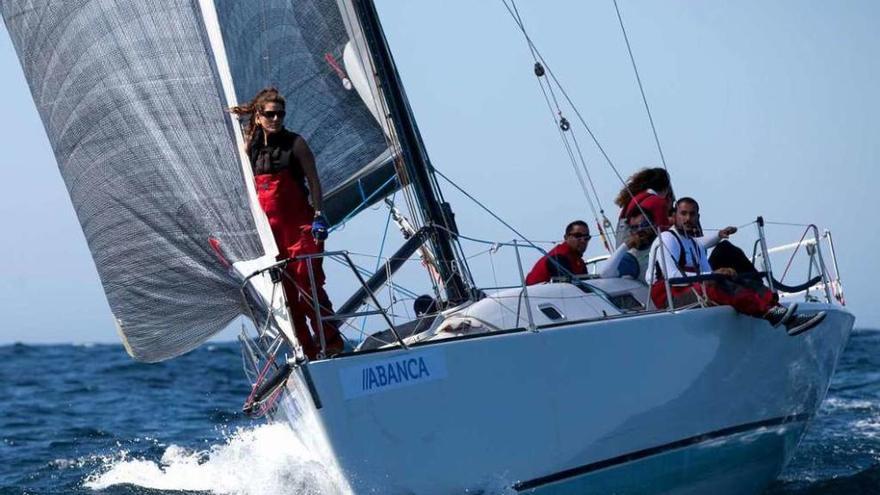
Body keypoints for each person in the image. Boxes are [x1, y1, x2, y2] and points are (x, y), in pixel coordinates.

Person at [231, 87, 344, 358]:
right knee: (288, 296)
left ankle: (333, 345)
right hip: (272, 236)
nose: (276, 119)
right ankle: (307, 351)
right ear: (258, 117)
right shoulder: (252, 147)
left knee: (309, 286)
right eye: (270, 114)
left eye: (280, 114)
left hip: (302, 228)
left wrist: (319, 215)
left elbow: (314, 181)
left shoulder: (296, 143)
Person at [645, 197, 825, 336]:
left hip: (692, 289)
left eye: (692, 214)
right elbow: (673, 278)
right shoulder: (667, 239)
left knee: (741, 279)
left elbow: (706, 273)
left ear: (698, 217)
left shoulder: (695, 244)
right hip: (669, 296)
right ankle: (773, 314)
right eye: (683, 214)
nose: (687, 218)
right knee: (718, 285)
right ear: (674, 215)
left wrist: (718, 275)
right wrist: (715, 275)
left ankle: (783, 314)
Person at [613, 168, 675, 241]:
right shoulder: (658, 202)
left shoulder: (634, 198)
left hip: (625, 243)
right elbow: (664, 231)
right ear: (665, 188)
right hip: (643, 248)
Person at [599, 209, 657, 281]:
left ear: (653, 226)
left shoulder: (662, 244)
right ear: (630, 231)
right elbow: (605, 274)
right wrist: (626, 246)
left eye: (644, 225)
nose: (640, 230)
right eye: (634, 227)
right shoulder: (632, 258)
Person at [526, 221, 590, 285]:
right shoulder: (558, 257)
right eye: (578, 236)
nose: (583, 240)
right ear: (566, 237)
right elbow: (567, 286)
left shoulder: (578, 261)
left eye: (586, 237)